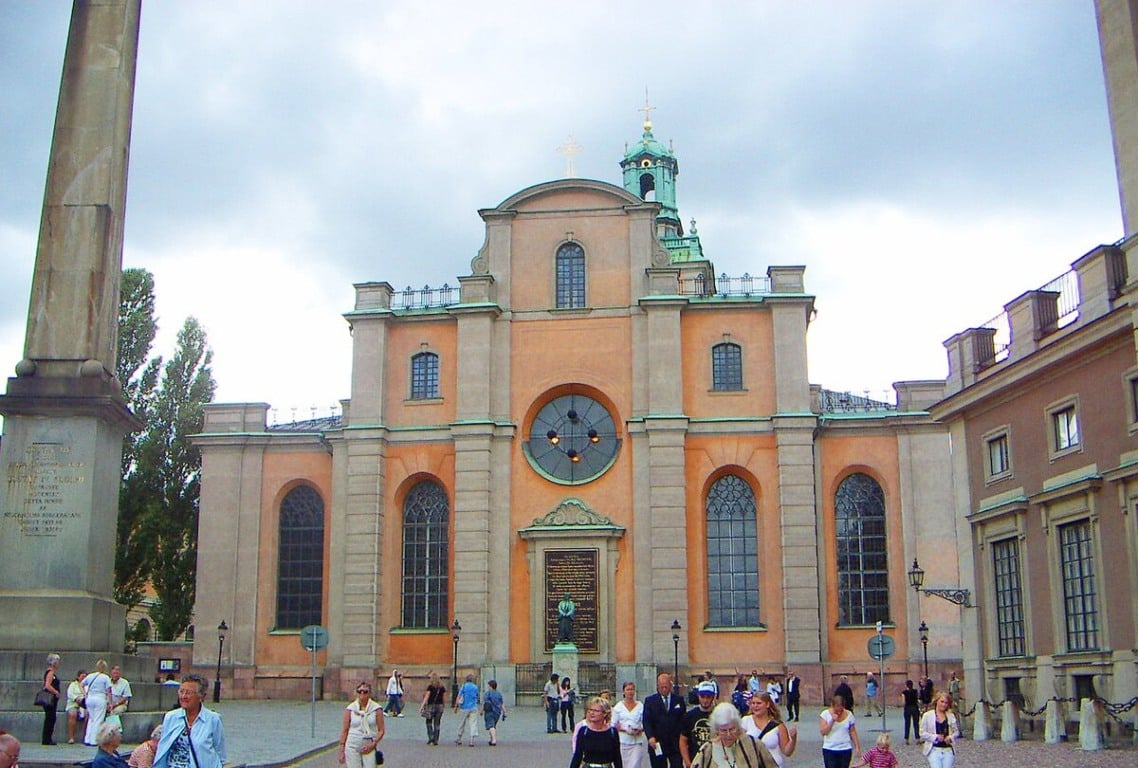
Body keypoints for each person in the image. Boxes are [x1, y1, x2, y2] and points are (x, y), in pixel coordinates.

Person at [153, 674, 227, 768]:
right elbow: (163, 748)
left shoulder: (213, 719)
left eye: (188, 693)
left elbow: (220, 753)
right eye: (181, 691)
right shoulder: (171, 717)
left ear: (201, 696)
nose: (183, 696)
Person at [689, 702, 776, 768]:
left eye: (732, 729)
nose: (728, 734)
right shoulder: (707, 749)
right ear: (716, 730)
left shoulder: (753, 745)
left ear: (738, 726)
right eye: (723, 730)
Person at [742, 693, 797, 768]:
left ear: (767, 704)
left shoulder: (777, 725)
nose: (755, 706)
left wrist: (793, 739)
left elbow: (787, 752)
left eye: (759, 703)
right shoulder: (745, 721)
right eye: (753, 703)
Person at [642, 672, 685, 768]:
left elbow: (683, 720)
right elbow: (646, 721)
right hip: (657, 743)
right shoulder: (650, 701)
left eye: (666, 687)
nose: (664, 689)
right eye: (661, 687)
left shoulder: (678, 700)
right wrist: (650, 736)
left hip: (675, 743)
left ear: (670, 685)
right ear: (658, 686)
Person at [337, 680, 383, 768]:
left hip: (369, 745)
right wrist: (342, 750)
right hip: (352, 745)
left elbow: (381, 730)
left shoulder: (377, 709)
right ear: (356, 693)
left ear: (369, 693)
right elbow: (344, 730)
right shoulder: (350, 709)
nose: (362, 693)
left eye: (365, 691)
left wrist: (373, 744)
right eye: (359, 691)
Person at [570, 696, 623, 768]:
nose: (592, 713)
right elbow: (577, 756)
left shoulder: (612, 732)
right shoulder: (583, 731)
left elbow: (617, 757)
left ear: (604, 713)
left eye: (596, 711)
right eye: (590, 710)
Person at [679, 681, 717, 768]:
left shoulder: (719, 714)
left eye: (708, 697)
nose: (705, 700)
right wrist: (688, 762)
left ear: (713, 697)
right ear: (698, 696)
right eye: (702, 697)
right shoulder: (689, 716)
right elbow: (683, 741)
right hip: (696, 761)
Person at [612, 681, 648, 768]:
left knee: (634, 765)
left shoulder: (640, 706)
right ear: (623, 692)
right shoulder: (618, 707)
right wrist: (624, 729)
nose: (630, 692)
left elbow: (645, 722)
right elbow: (613, 724)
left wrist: (640, 729)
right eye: (628, 689)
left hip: (636, 742)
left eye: (632, 689)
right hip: (622, 742)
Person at [819, 693, 861, 768]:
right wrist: (832, 721)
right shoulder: (825, 714)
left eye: (841, 710)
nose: (839, 712)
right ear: (832, 706)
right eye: (836, 710)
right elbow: (823, 732)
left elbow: (852, 731)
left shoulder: (849, 715)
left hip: (845, 749)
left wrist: (857, 747)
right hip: (829, 749)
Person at [919, 692, 959, 768]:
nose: (944, 704)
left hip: (948, 749)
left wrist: (951, 737)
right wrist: (935, 737)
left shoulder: (950, 716)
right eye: (942, 702)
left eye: (946, 703)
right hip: (934, 749)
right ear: (936, 701)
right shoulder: (927, 715)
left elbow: (956, 732)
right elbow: (922, 733)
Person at [83, 659, 113, 746]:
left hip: (90, 698)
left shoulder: (90, 676)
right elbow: (108, 691)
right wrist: (110, 703)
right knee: (98, 719)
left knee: (91, 719)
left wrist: (85, 694)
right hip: (100, 698)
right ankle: (94, 740)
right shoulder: (105, 677)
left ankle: (87, 739)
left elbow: (82, 684)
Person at [419, 671, 446, 745]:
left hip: (431, 706)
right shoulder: (442, 687)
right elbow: (444, 698)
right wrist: (443, 705)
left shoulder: (430, 687)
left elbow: (427, 697)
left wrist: (422, 706)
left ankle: (431, 737)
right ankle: (436, 740)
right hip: (439, 707)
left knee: (428, 722)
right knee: (437, 723)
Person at [40, 652, 62, 745]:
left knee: (50, 718)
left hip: (52, 699)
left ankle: (47, 738)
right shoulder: (50, 672)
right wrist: (56, 692)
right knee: (50, 718)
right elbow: (47, 685)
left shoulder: (49, 672)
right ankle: (47, 739)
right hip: (50, 698)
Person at [453, 673, 480, 747]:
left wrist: (456, 707)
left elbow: (458, 697)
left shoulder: (464, 687)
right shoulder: (475, 687)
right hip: (473, 707)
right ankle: (471, 741)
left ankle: (459, 739)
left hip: (464, 707)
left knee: (461, 723)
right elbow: (477, 697)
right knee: (473, 724)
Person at [67, 669, 87, 744]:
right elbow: (70, 694)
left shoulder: (87, 686)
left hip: (84, 704)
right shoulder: (73, 685)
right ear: (78, 677)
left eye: (85, 676)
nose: (84, 678)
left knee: (88, 715)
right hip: (73, 703)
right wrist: (76, 699)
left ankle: (86, 737)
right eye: (82, 676)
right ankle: (71, 737)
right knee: (73, 714)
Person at [482, 679, 505, 746]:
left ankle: (494, 740)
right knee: (492, 726)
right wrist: (504, 712)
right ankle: (491, 739)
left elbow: (484, 703)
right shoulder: (499, 694)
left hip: (489, 711)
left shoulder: (487, 694)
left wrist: (481, 711)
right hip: (497, 713)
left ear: (490, 686)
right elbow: (502, 704)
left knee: (491, 726)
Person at [900, 680, 921, 745]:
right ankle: (917, 739)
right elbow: (918, 699)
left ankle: (907, 739)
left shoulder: (904, 692)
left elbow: (903, 702)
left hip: (907, 708)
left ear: (906, 685)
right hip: (915, 708)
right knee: (916, 724)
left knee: (907, 724)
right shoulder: (915, 691)